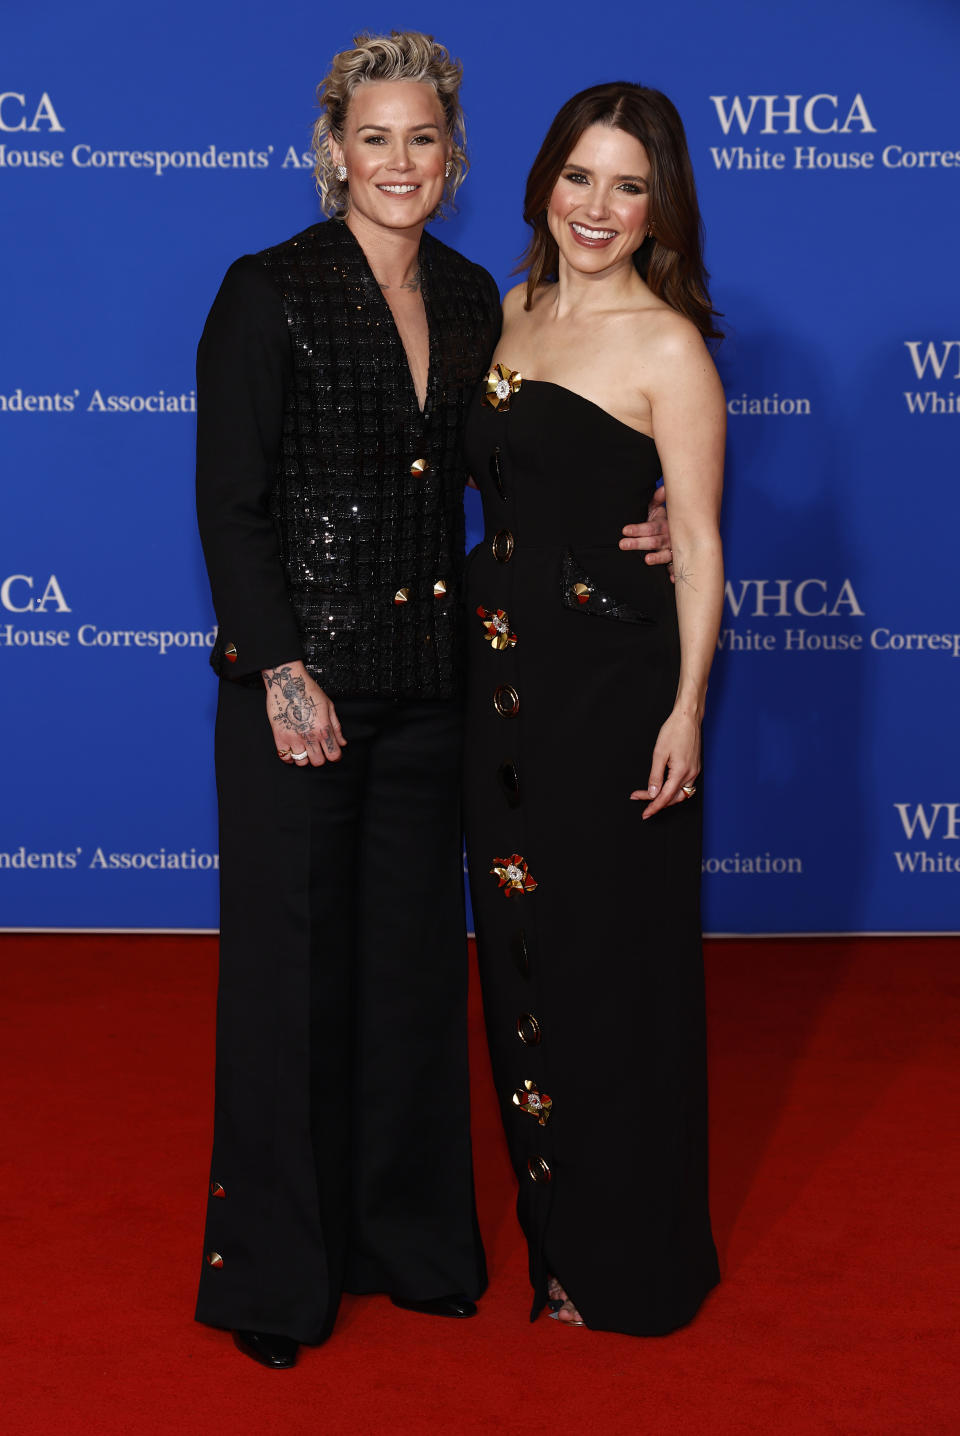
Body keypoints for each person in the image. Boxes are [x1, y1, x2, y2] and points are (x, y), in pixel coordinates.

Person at [194, 32, 674, 1368]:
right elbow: (229, 507)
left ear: (454, 159)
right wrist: (283, 669)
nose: (398, 162)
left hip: (437, 693)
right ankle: (276, 1282)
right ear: (333, 153)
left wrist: (660, 515)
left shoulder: (480, 303)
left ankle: (410, 1245)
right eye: (373, 138)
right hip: (300, 694)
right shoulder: (269, 292)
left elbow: (543, 445)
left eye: (422, 140)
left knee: (409, 986)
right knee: (291, 990)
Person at [462, 81, 725, 1336]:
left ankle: (631, 1260)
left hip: (613, 702)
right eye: (580, 176)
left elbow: (706, 542)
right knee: (522, 977)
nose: (598, 207)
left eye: (629, 184)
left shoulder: (669, 344)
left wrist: (686, 708)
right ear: (545, 182)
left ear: (660, 204)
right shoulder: (506, 311)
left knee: (614, 981)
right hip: (496, 698)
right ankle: (552, 1245)